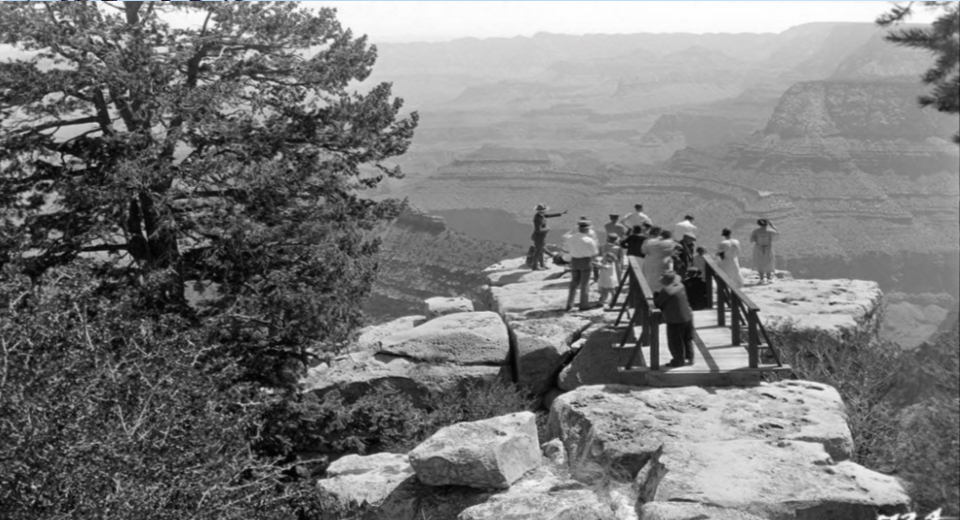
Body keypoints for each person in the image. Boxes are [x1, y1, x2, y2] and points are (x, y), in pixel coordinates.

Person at [654, 271, 695, 367]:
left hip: (675, 319)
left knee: (675, 342)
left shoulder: (667, 291)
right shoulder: (681, 285)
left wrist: (656, 295)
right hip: (688, 316)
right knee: (687, 339)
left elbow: (658, 303)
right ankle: (690, 358)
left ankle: (678, 361)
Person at [564, 219, 599, 312]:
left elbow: (566, 248)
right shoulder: (589, 240)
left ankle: (569, 304)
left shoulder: (570, 238)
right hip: (585, 261)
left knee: (574, 283)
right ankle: (584, 304)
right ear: (587, 229)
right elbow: (595, 252)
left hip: (574, 260)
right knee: (584, 284)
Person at [531, 203, 567, 270]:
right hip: (539, 238)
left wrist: (560, 214)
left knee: (541, 251)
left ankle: (542, 265)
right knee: (538, 252)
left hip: (542, 238)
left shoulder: (541, 215)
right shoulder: (537, 219)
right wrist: (547, 229)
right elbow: (538, 230)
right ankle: (535, 267)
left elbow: (548, 215)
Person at [641, 228, 676, 293]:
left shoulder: (648, 242)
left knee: (650, 284)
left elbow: (643, 251)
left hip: (650, 267)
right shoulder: (671, 243)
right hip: (663, 267)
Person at [750, 219, 779, 284]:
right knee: (769, 262)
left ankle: (762, 279)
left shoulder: (756, 231)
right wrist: (772, 226)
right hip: (768, 248)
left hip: (758, 248)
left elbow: (752, 239)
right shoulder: (771, 231)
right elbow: (777, 233)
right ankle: (769, 279)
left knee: (760, 262)